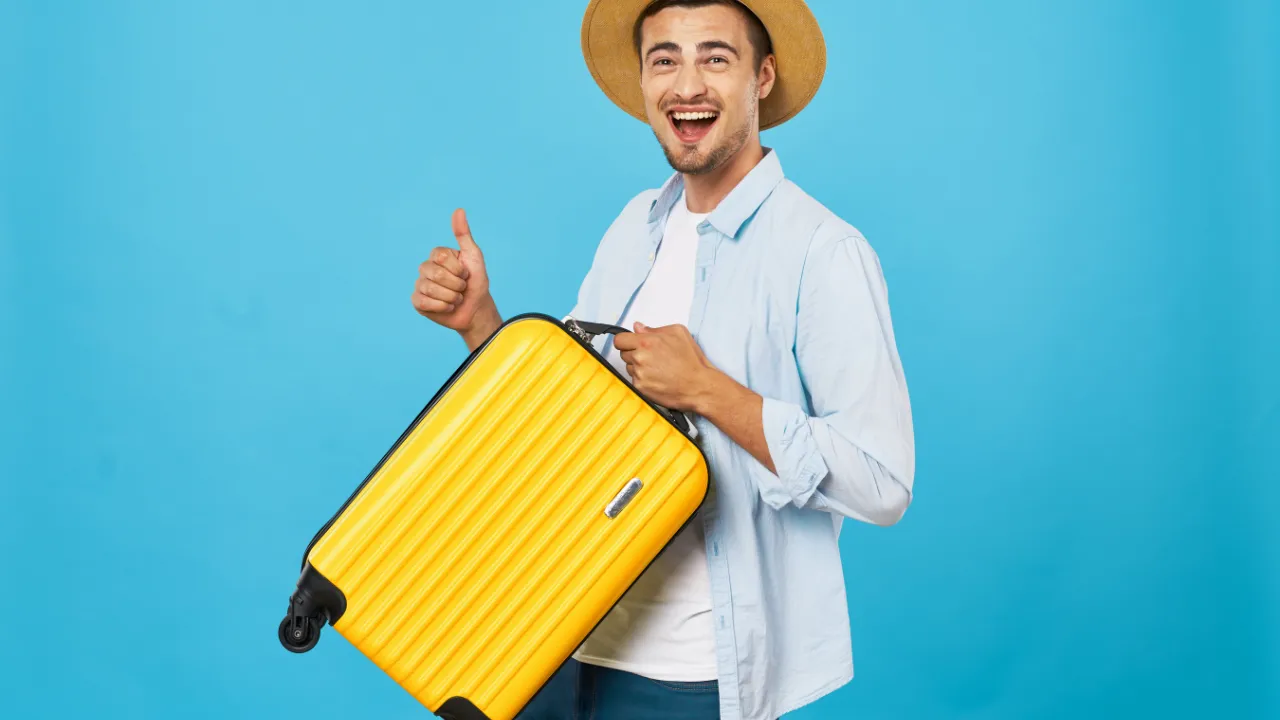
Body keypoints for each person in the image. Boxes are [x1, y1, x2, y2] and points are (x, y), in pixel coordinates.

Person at [410, 1, 915, 718]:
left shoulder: (822, 252)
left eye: (715, 57)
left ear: (761, 76)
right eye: (664, 59)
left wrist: (710, 392)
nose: (687, 85)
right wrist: (481, 327)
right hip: (557, 642)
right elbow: (571, 426)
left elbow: (883, 481)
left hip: (693, 678)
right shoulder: (633, 227)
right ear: (645, 83)